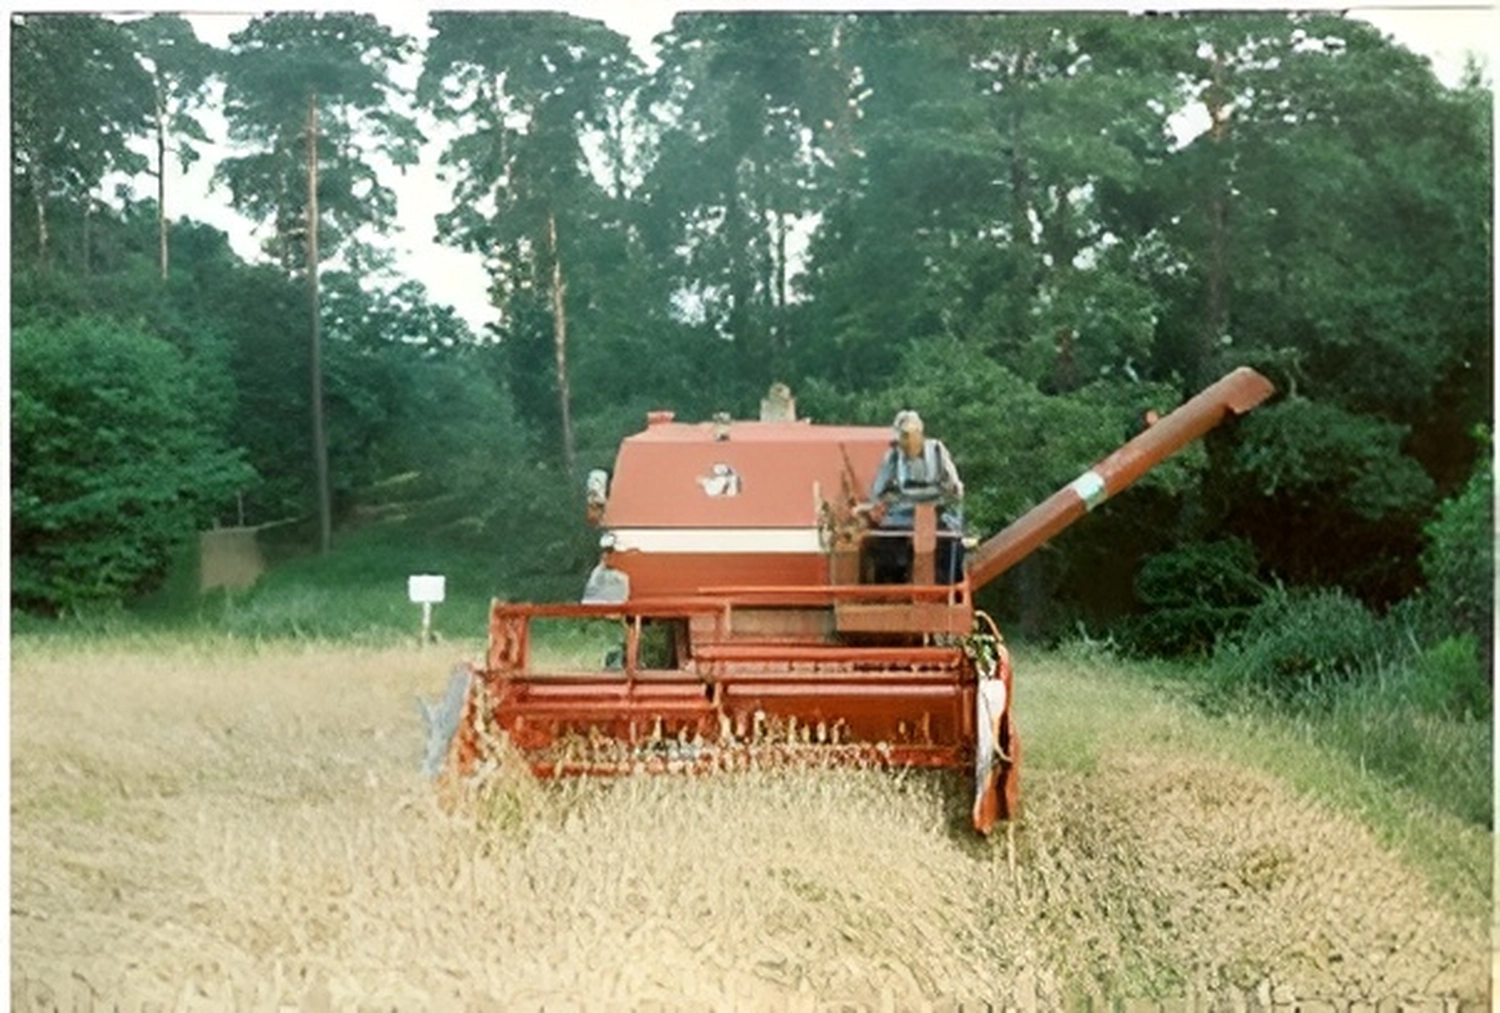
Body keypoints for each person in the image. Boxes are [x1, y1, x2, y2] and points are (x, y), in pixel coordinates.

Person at [864, 410, 965, 583]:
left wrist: (953, 490)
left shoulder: (937, 450)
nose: (906, 442)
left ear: (920, 434)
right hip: (903, 513)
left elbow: (954, 484)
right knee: (885, 542)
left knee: (951, 543)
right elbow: (878, 491)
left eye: (909, 436)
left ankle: (948, 588)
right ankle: (893, 588)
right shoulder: (893, 456)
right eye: (902, 437)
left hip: (936, 510)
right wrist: (880, 502)